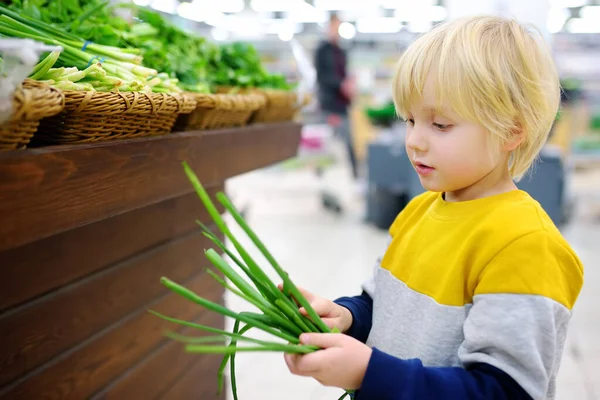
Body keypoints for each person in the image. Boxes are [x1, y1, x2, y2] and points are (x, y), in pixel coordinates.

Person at [284, 15, 584, 400]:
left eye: (439, 124)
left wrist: (370, 373)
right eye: (410, 120)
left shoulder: (525, 245)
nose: (414, 141)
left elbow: (505, 391)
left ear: (511, 130)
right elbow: (384, 306)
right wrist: (346, 317)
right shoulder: (419, 211)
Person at [314, 13, 358, 180]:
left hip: (342, 104)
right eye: (334, 26)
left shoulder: (341, 51)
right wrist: (341, 85)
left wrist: (349, 84)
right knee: (326, 145)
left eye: (339, 27)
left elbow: (344, 74)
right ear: (328, 27)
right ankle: (320, 177)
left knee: (347, 142)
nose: (336, 30)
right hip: (329, 105)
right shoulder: (322, 51)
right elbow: (321, 77)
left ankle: (354, 176)